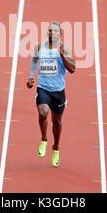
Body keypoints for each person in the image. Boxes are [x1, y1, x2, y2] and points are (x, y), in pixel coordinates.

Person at [26, 22, 76, 167]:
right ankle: (44, 139)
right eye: (49, 31)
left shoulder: (64, 48)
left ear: (60, 34)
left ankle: (56, 148)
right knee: (43, 113)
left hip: (58, 91)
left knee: (57, 122)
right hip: (43, 88)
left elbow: (72, 69)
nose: (51, 33)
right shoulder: (39, 47)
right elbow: (34, 60)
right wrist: (31, 76)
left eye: (55, 31)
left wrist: (62, 56)